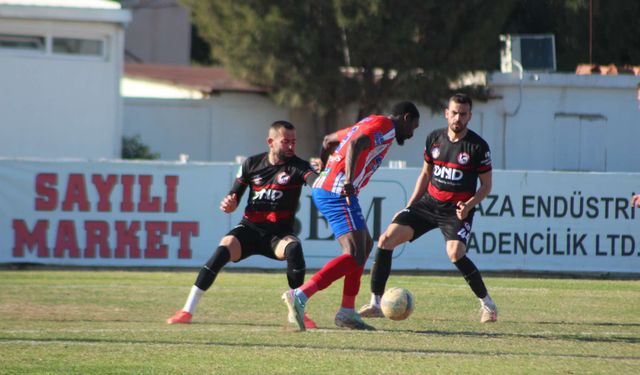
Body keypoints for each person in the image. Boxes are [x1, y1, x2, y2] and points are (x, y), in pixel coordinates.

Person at [358, 93, 499, 323]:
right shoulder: (434, 138)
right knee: (386, 240)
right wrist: (409, 207)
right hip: (428, 204)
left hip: (456, 209)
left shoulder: (478, 147)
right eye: (454, 113)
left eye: (463, 114)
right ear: (446, 113)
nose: (458, 118)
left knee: (455, 253)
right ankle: (375, 303)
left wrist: (469, 205)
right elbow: (425, 174)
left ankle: (488, 306)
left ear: (470, 116)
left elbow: (486, 186)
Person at [282, 102, 421, 331]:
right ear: (405, 118)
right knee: (355, 252)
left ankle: (347, 311)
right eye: (413, 127)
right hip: (337, 191)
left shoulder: (368, 121)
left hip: (331, 188)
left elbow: (328, 140)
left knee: (364, 246)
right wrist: (345, 180)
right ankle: (300, 295)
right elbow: (356, 143)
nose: (412, 133)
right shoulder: (386, 126)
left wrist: (324, 170)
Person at [167, 120, 318, 329]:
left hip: (278, 234)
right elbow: (233, 196)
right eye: (286, 142)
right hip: (250, 229)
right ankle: (187, 310)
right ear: (270, 142)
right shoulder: (251, 164)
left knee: (294, 248)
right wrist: (229, 203)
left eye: (294, 142)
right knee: (224, 247)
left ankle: (297, 311)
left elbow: (314, 181)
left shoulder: (299, 166)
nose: (291, 147)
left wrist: (321, 176)